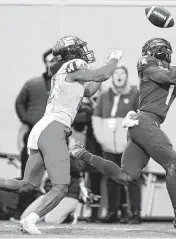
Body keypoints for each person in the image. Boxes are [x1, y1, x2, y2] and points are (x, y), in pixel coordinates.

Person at [70, 20, 176, 236]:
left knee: (126, 176)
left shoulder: (173, 70)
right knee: (173, 161)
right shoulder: (147, 64)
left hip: (144, 125)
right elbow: (172, 77)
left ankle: (83, 154)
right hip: (145, 122)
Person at [0, 35, 123, 234]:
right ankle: (30, 221)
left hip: (41, 128)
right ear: (71, 53)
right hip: (54, 128)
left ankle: (28, 218)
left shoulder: (63, 72)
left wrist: (103, 65)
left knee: (26, 184)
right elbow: (101, 75)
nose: (83, 52)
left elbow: (90, 90)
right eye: (79, 49)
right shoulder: (72, 65)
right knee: (61, 187)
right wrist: (113, 61)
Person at [92, 66, 141, 224]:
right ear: (112, 77)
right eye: (116, 74)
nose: (119, 76)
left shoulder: (134, 93)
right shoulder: (105, 95)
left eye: (122, 74)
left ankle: (134, 212)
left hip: (128, 145)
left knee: (131, 179)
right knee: (111, 178)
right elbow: (96, 118)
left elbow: (141, 117)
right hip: (108, 145)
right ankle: (113, 211)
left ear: (127, 77)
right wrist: (102, 138)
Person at [14, 49, 55, 219]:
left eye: (56, 60)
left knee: (56, 174)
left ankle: (50, 212)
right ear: (45, 62)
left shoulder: (65, 84)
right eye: (50, 60)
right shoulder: (32, 84)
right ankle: (21, 211)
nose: (52, 63)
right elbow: (19, 103)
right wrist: (28, 119)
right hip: (33, 134)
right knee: (28, 174)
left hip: (55, 135)